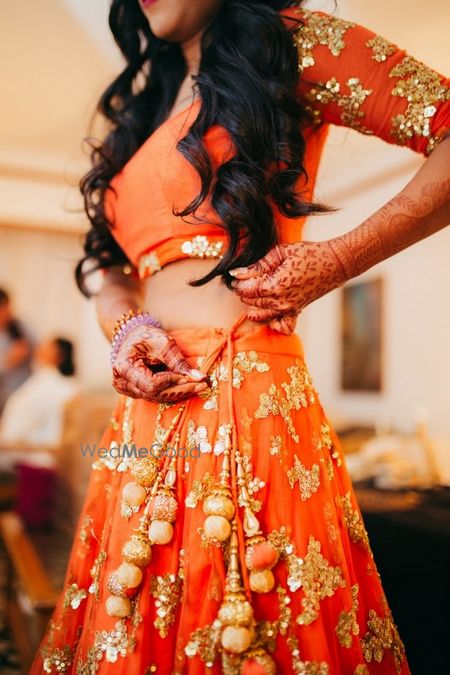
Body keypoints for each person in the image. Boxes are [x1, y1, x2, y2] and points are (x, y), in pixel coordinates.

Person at [31, 1, 449, 673]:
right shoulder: (148, 101)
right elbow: (108, 265)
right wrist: (125, 327)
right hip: (143, 418)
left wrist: (340, 258)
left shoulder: (291, 43)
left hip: (250, 406)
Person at [0, 337, 78, 465]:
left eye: (45, 349)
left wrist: (7, 435)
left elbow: (23, 421)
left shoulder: (50, 383)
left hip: (37, 455)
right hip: (39, 451)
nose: (38, 351)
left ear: (59, 356)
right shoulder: (56, 383)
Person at [0, 287, 33, 415]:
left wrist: (27, 350)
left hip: (23, 393)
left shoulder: (20, 326)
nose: (8, 312)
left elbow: (40, 349)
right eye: (3, 309)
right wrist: (7, 361)